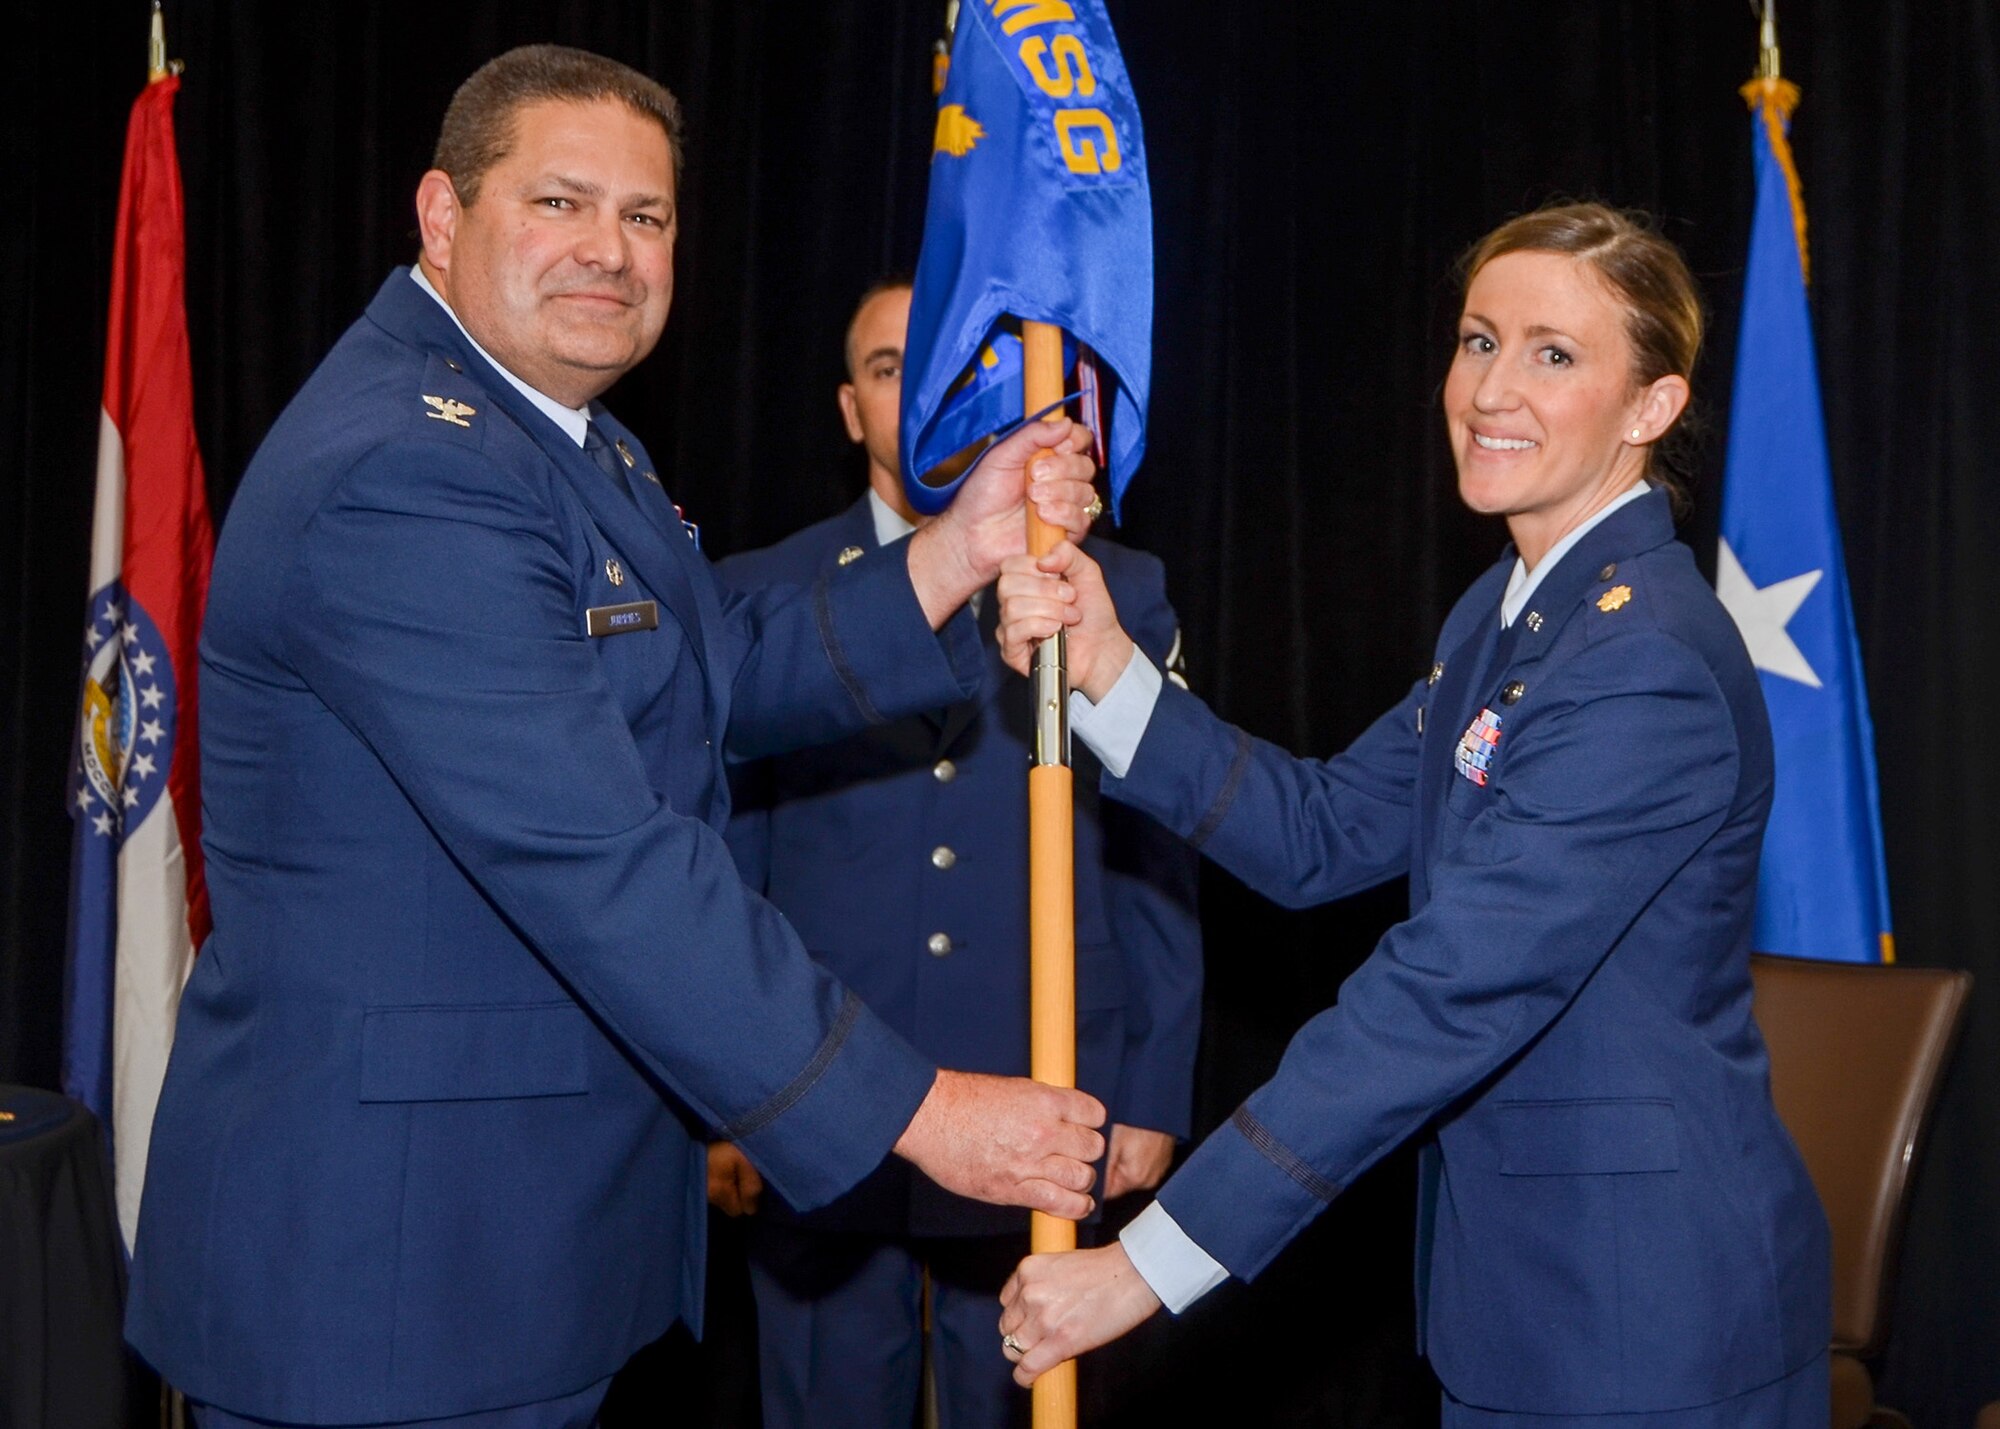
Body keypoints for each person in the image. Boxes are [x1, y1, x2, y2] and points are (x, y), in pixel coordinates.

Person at [123, 45, 1113, 1429]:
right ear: (440, 215)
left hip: (503, 1254)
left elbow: (699, 667)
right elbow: (603, 857)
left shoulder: (569, 440)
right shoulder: (405, 474)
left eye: (644, 218)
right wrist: (923, 1112)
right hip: (390, 1287)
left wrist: (952, 556)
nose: (610, 252)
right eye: (560, 204)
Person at [993, 203, 1832, 1425]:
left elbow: (1446, 990)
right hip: (1521, 1305)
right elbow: (1321, 830)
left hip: (1640, 1329)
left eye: (1553, 354)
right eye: (1478, 339)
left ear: (1649, 409)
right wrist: (1110, 667)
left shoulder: (1638, 660)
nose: (1491, 387)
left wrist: (1146, 1262)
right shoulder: (1508, 611)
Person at [702, 278, 1202, 1429]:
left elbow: (1158, 846)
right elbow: (726, 859)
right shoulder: (761, 594)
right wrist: (727, 1099)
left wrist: (1150, 1084)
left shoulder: (1109, 588)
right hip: (821, 1092)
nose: (918, 397)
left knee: (1020, 1403)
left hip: (1037, 1089)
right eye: (888, 369)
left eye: (950, 373)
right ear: (846, 406)